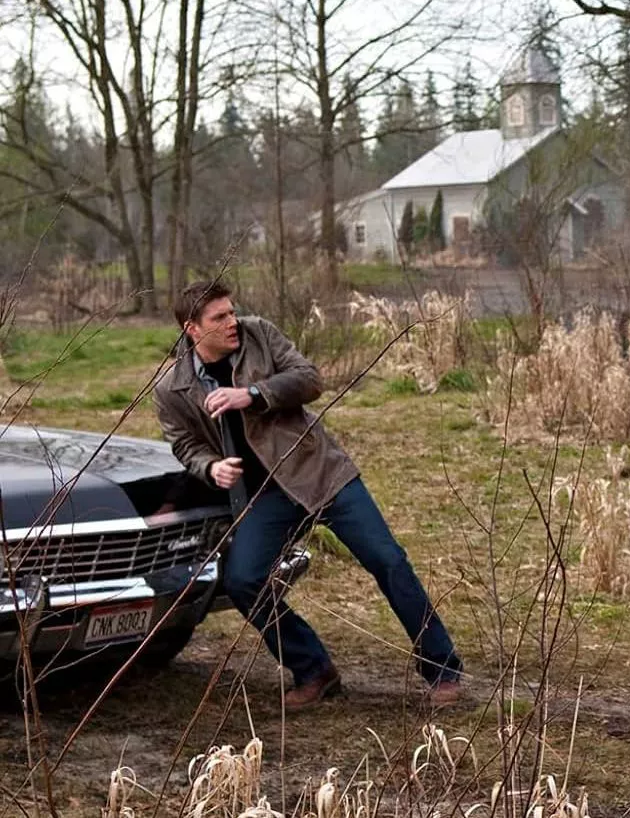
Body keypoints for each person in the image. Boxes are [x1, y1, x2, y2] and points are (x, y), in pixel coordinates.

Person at [156, 280, 464, 708]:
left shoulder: (259, 333)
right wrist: (210, 466)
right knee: (243, 581)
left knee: (388, 560)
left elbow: (309, 379)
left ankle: (443, 670)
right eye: (219, 317)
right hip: (264, 493)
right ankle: (314, 670)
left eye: (231, 311)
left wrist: (253, 394)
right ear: (192, 329)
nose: (232, 322)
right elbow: (184, 443)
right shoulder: (172, 386)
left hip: (319, 472)